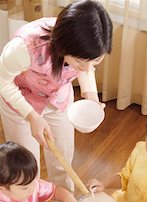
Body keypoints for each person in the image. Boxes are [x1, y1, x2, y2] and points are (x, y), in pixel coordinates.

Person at [0, 0, 112, 191]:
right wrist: (32, 116)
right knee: (26, 170)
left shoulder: (84, 51)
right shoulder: (24, 46)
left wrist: (90, 95)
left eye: (94, 62)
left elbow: (86, 67)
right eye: (80, 62)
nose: (87, 68)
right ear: (63, 47)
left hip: (58, 101)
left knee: (63, 161)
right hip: (20, 103)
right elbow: (3, 82)